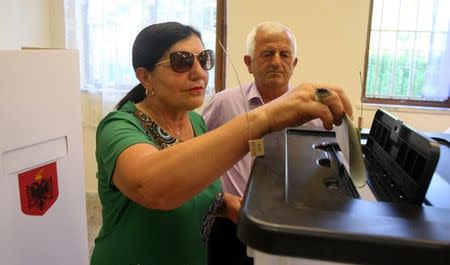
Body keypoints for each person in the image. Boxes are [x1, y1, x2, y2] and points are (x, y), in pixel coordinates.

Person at [90, 21, 353, 265]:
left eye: (204, 60)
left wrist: (225, 204)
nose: (199, 73)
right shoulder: (119, 127)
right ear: (145, 76)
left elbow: (195, 182)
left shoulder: (195, 123)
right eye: (181, 62)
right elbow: (152, 187)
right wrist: (266, 117)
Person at [203, 21, 320, 264]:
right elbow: (196, 152)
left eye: (285, 54)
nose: (277, 61)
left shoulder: (312, 113)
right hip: (231, 224)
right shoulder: (224, 104)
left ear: (294, 64)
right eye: (267, 54)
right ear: (248, 63)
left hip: (288, 225)